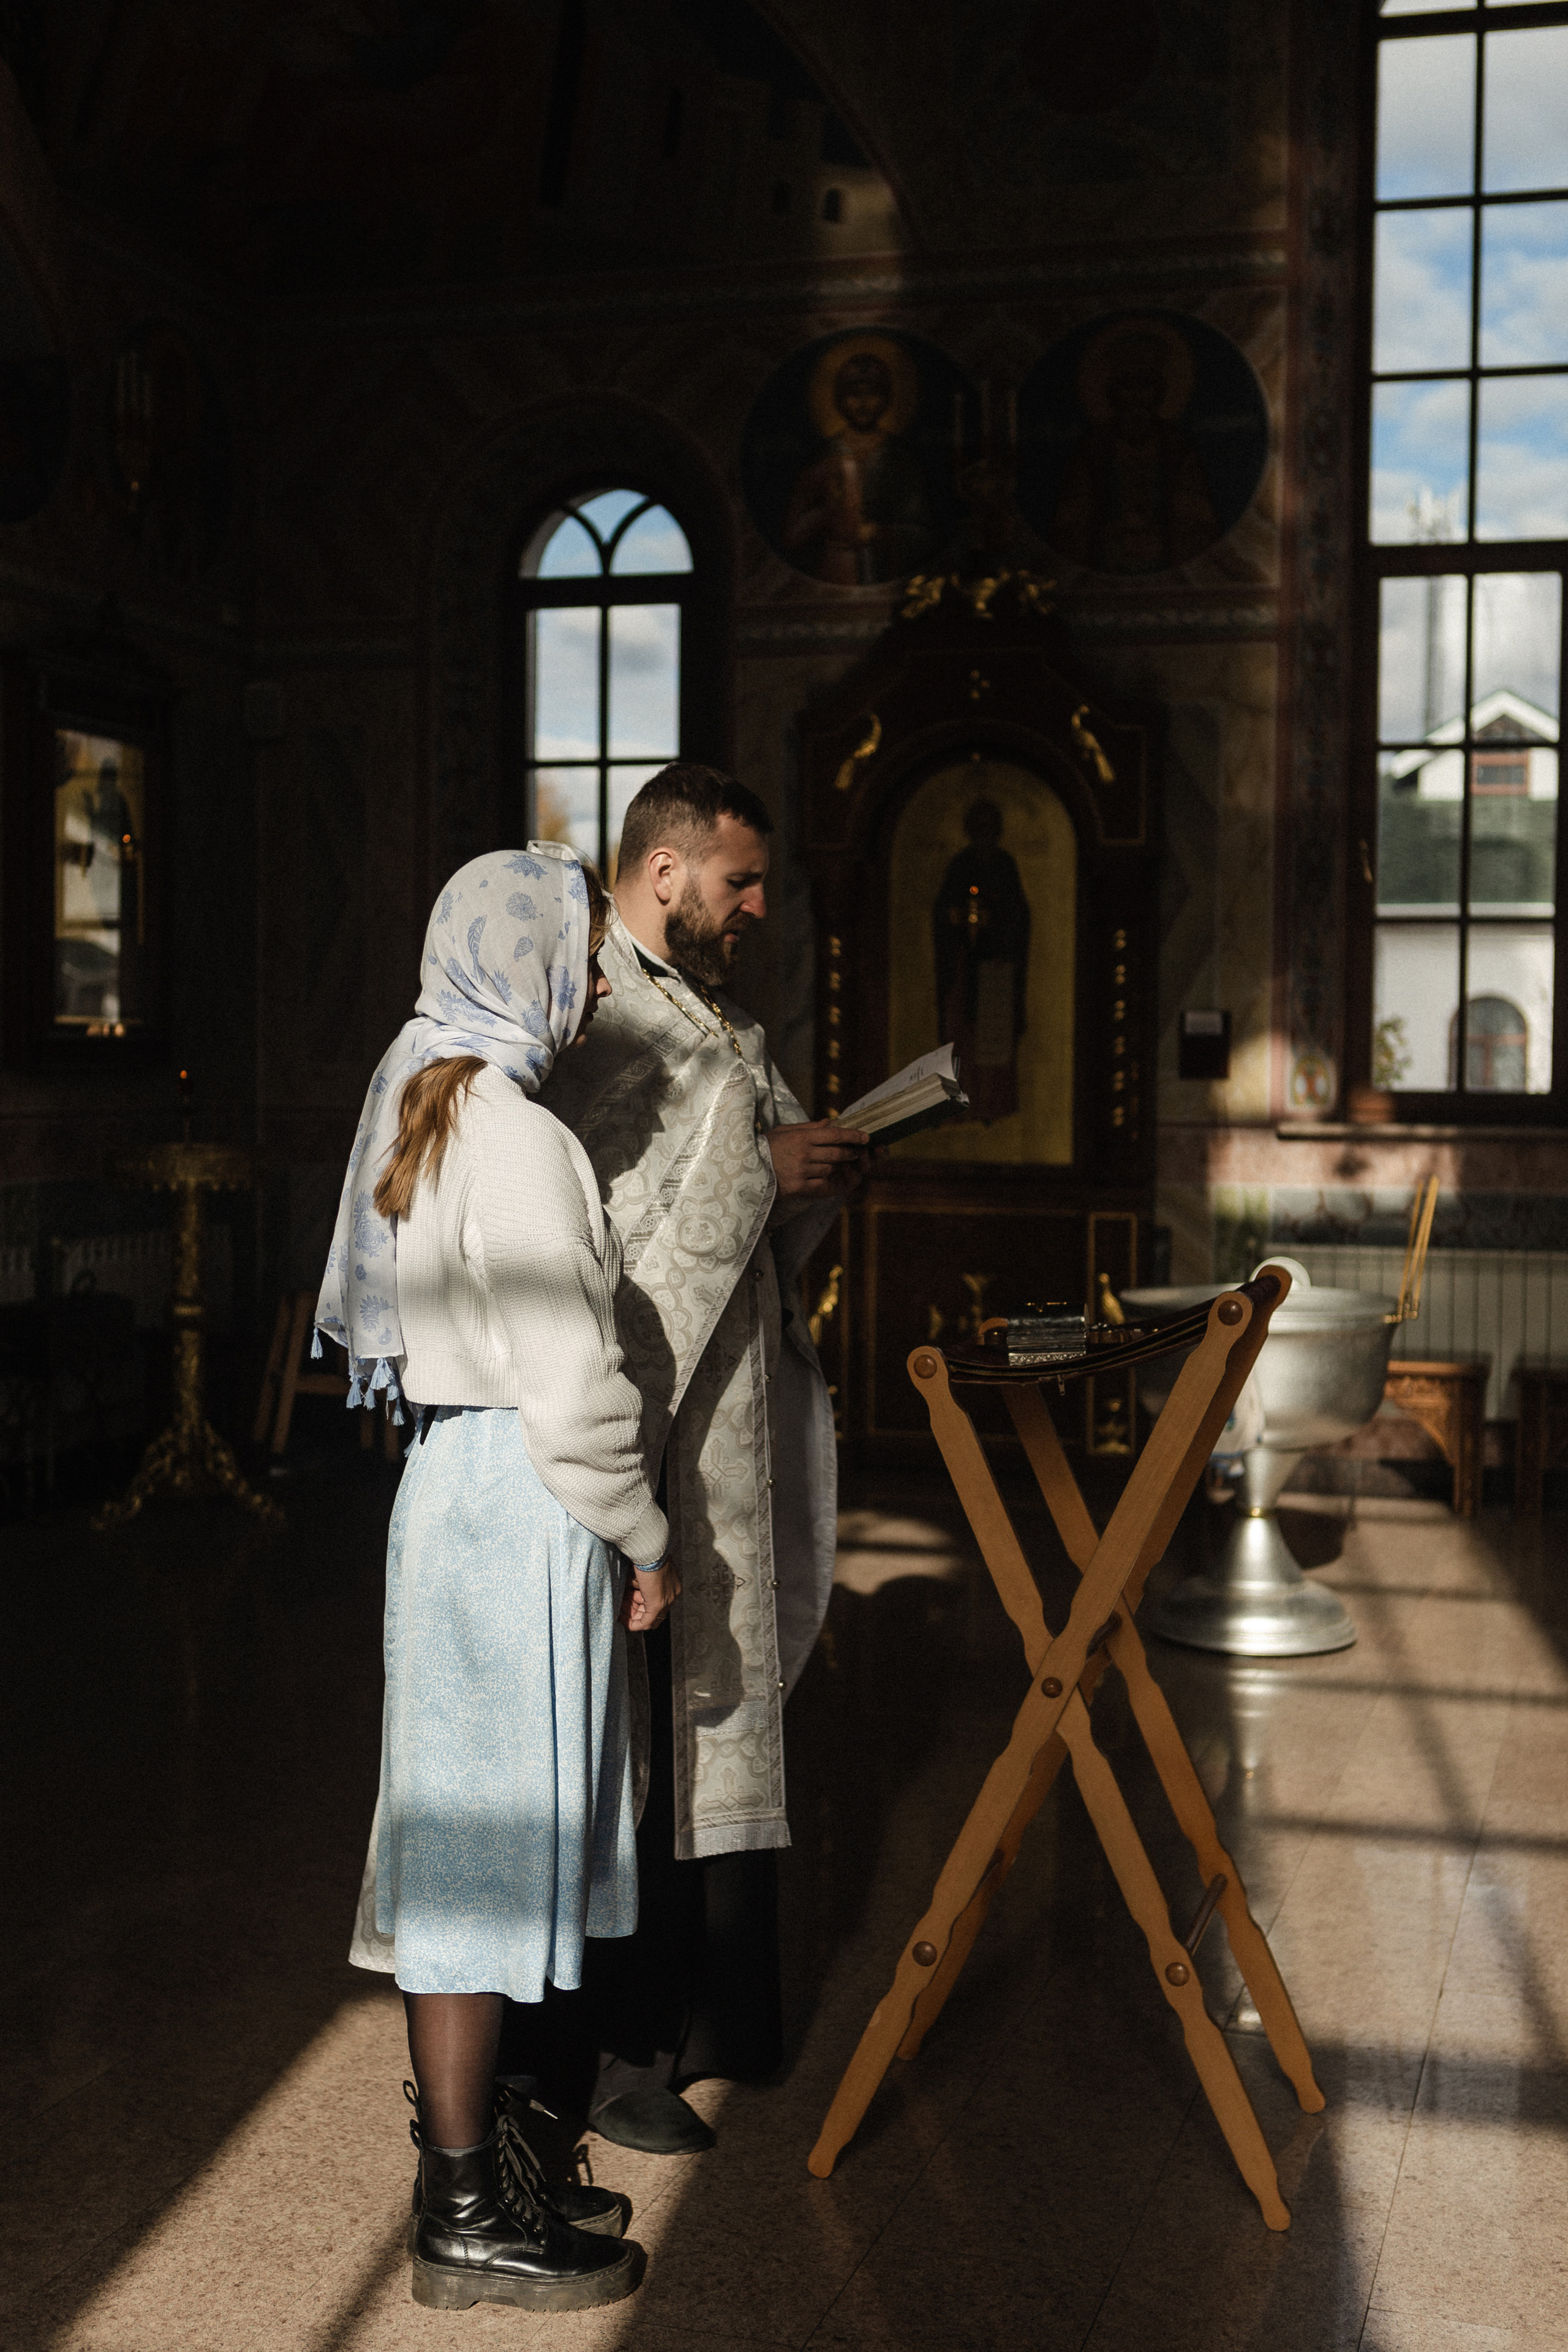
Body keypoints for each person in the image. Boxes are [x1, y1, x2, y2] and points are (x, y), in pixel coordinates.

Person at [322, 843, 678, 2314]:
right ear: (520, 962)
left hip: (455, 1492)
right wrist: (644, 1534)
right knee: (476, 1860)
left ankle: (485, 2165)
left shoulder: (432, 1099)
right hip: (519, 1503)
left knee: (471, 1840)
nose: (591, 989)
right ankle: (464, 2207)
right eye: (579, 961)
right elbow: (572, 1383)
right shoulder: (518, 1136)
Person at [510, 763, 869, 2155]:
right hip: (634, 1433)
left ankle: (713, 2019)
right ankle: (616, 2046)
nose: (759, 906)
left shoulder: (716, 1015)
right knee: (640, 1732)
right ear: (665, 871)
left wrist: (813, 1173)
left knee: (714, 1711)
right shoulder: (590, 1013)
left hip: (730, 1419)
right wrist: (761, 1168)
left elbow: (746, 1198)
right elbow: (588, 1237)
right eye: (740, 880)